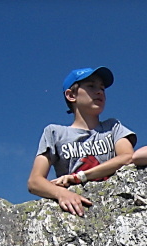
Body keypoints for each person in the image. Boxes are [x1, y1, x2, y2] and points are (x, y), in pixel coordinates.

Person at [28, 65, 137, 217]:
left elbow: (127, 157)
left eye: (102, 88)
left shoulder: (113, 127)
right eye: (91, 86)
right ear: (71, 95)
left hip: (113, 202)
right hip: (75, 208)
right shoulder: (54, 133)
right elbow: (35, 182)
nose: (99, 92)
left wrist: (80, 176)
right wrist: (61, 193)